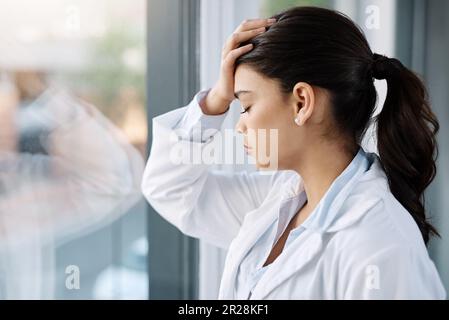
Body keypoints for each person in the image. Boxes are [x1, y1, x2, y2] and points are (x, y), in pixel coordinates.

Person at [141, 7, 446, 299]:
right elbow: (170, 189)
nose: (238, 127)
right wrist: (217, 99)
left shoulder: (380, 245)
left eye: (246, 106)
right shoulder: (278, 198)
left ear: (301, 102)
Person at [0, 78, 144, 299]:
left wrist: (44, 95)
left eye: (9, 118)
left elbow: (113, 183)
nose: (8, 127)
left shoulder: (25, 176)